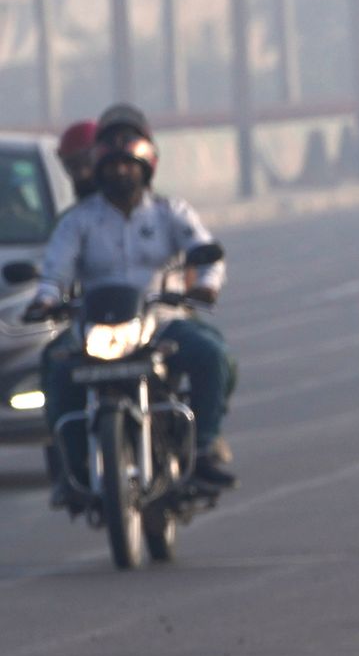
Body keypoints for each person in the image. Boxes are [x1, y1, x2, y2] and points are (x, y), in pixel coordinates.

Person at [30, 119, 235, 489]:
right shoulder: (78, 221)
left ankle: (202, 447)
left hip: (161, 321)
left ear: (146, 168)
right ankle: (72, 467)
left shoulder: (170, 212)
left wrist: (206, 285)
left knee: (213, 355)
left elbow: (206, 256)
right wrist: (45, 300)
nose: (120, 173)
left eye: (128, 165)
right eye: (111, 166)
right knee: (55, 367)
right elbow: (55, 272)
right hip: (95, 326)